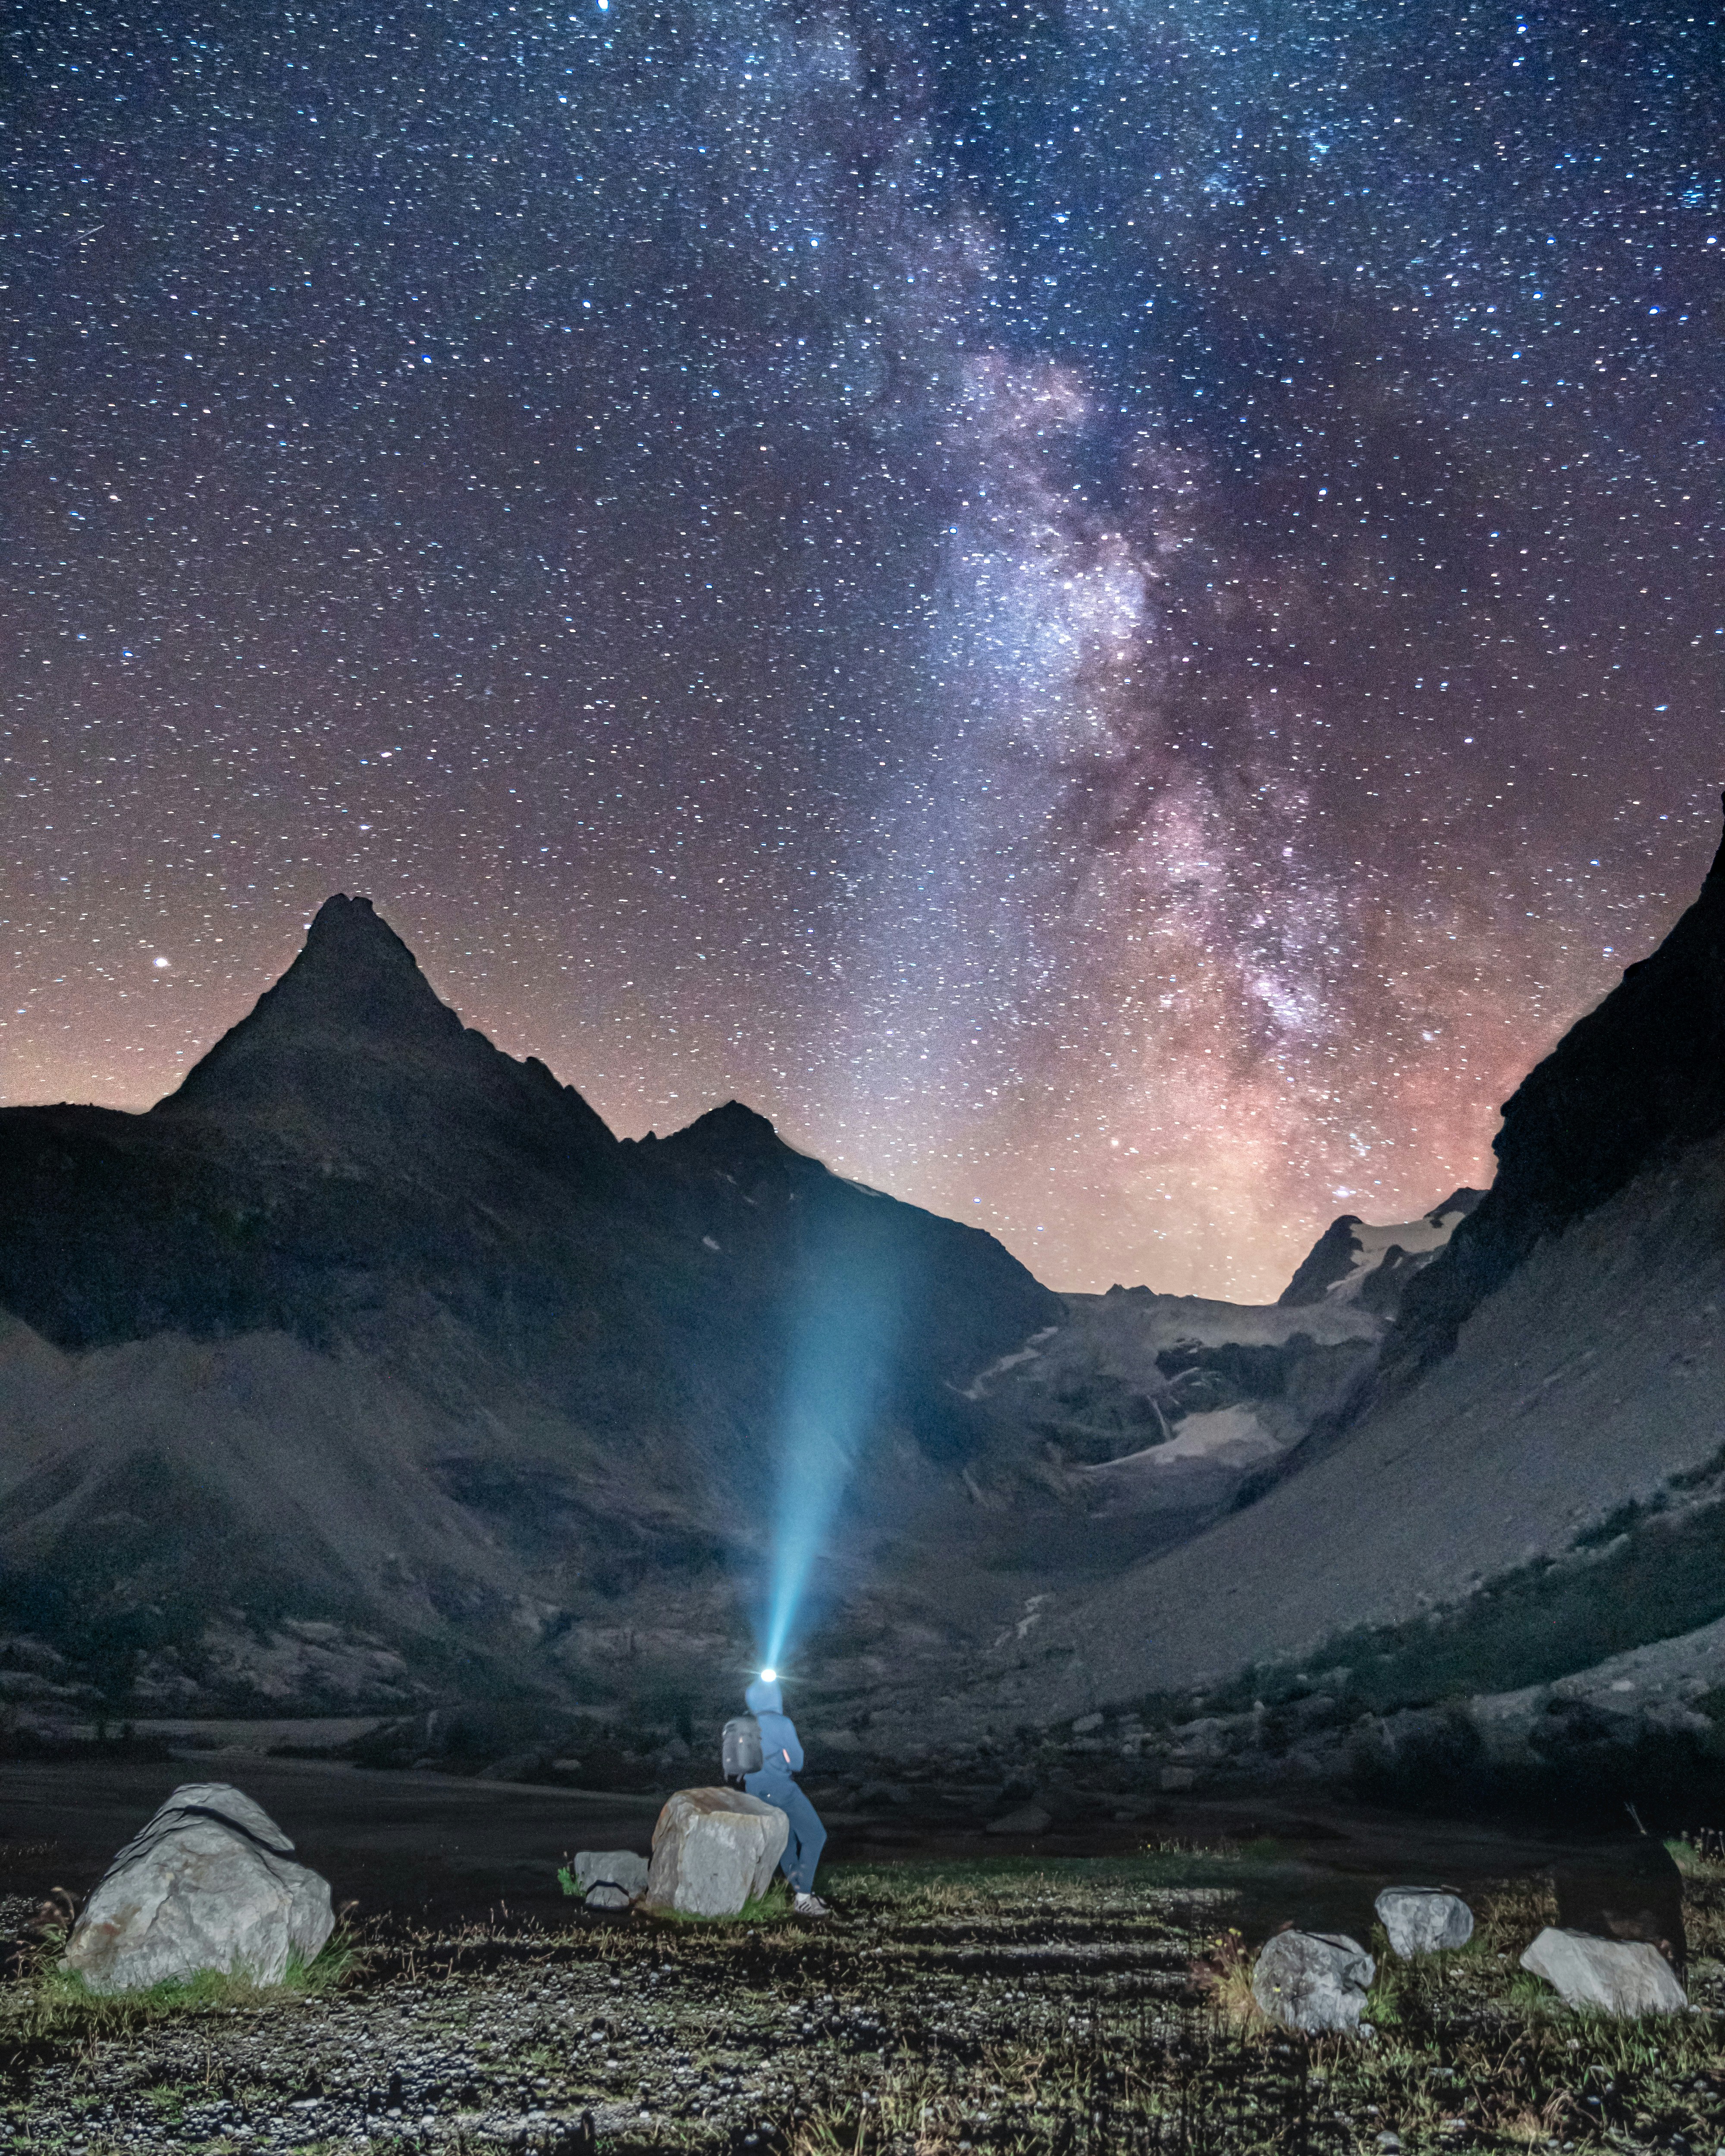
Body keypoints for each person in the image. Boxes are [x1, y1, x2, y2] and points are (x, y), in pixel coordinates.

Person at [742, 1673, 828, 1917]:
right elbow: (798, 1763)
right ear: (775, 1697)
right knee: (815, 1836)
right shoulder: (782, 1723)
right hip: (781, 1789)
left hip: (754, 1791)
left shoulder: (748, 1724)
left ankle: (802, 1891)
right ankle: (803, 1899)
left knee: (786, 1842)